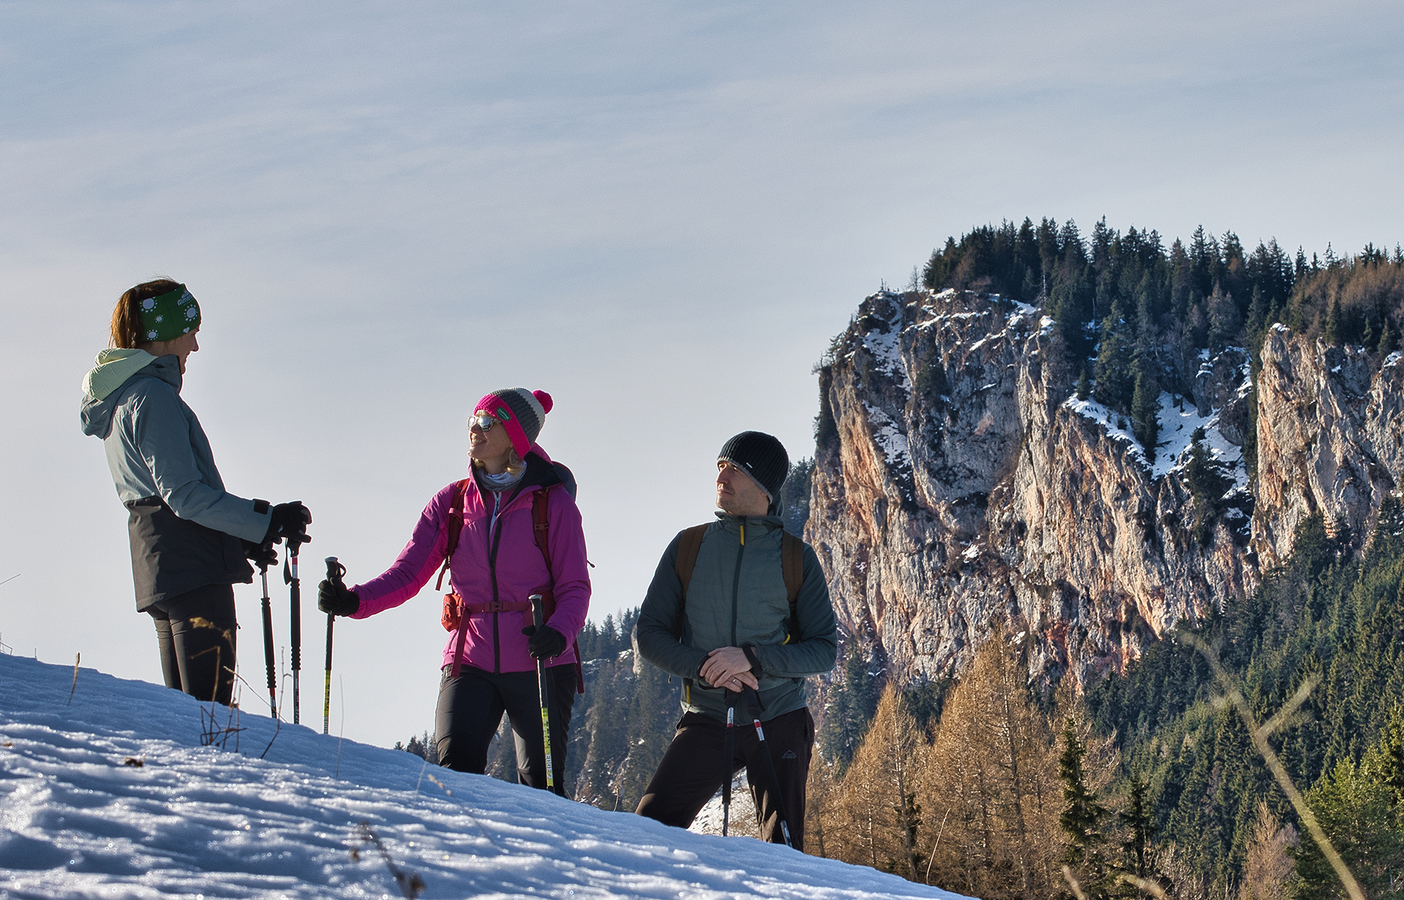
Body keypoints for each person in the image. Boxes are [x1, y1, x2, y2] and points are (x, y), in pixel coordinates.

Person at [318, 388, 590, 793]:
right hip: (470, 661)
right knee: (453, 777)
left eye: (486, 422)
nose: (474, 430)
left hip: (541, 662)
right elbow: (408, 573)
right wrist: (354, 600)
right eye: (472, 421)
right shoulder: (452, 502)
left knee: (541, 789)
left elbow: (575, 586)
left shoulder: (552, 504)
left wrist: (559, 632)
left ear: (515, 436)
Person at [81, 278, 310, 705]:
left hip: (159, 564)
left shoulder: (122, 400)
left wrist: (239, 537)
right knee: (211, 716)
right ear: (165, 334)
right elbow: (184, 495)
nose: (195, 347)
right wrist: (266, 520)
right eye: (192, 332)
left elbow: (159, 495)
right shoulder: (151, 396)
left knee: (187, 714)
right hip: (193, 567)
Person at [634, 431, 837, 850]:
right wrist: (704, 669)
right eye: (720, 467)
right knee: (646, 833)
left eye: (736, 469)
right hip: (707, 716)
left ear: (764, 486)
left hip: (780, 717)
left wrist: (752, 659)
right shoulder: (688, 546)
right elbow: (649, 635)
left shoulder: (797, 558)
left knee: (784, 852)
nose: (721, 477)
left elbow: (823, 650)